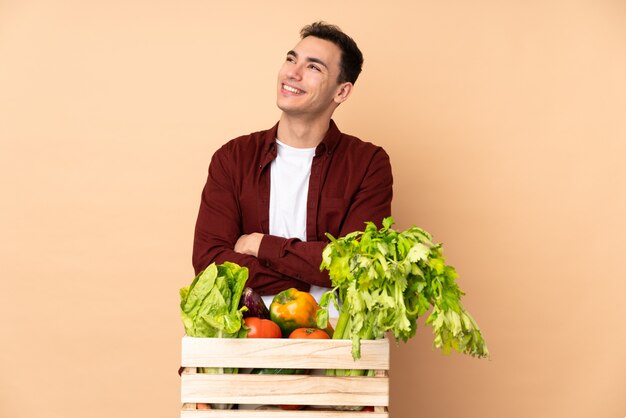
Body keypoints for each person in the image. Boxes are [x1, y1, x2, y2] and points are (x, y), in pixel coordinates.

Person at [192, 22, 393, 315]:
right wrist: (310, 274)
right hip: (246, 337)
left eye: (313, 67)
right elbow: (209, 262)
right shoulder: (233, 158)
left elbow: (355, 264)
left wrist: (260, 245)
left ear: (342, 92)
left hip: (331, 343)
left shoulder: (367, 163)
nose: (292, 73)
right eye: (291, 59)